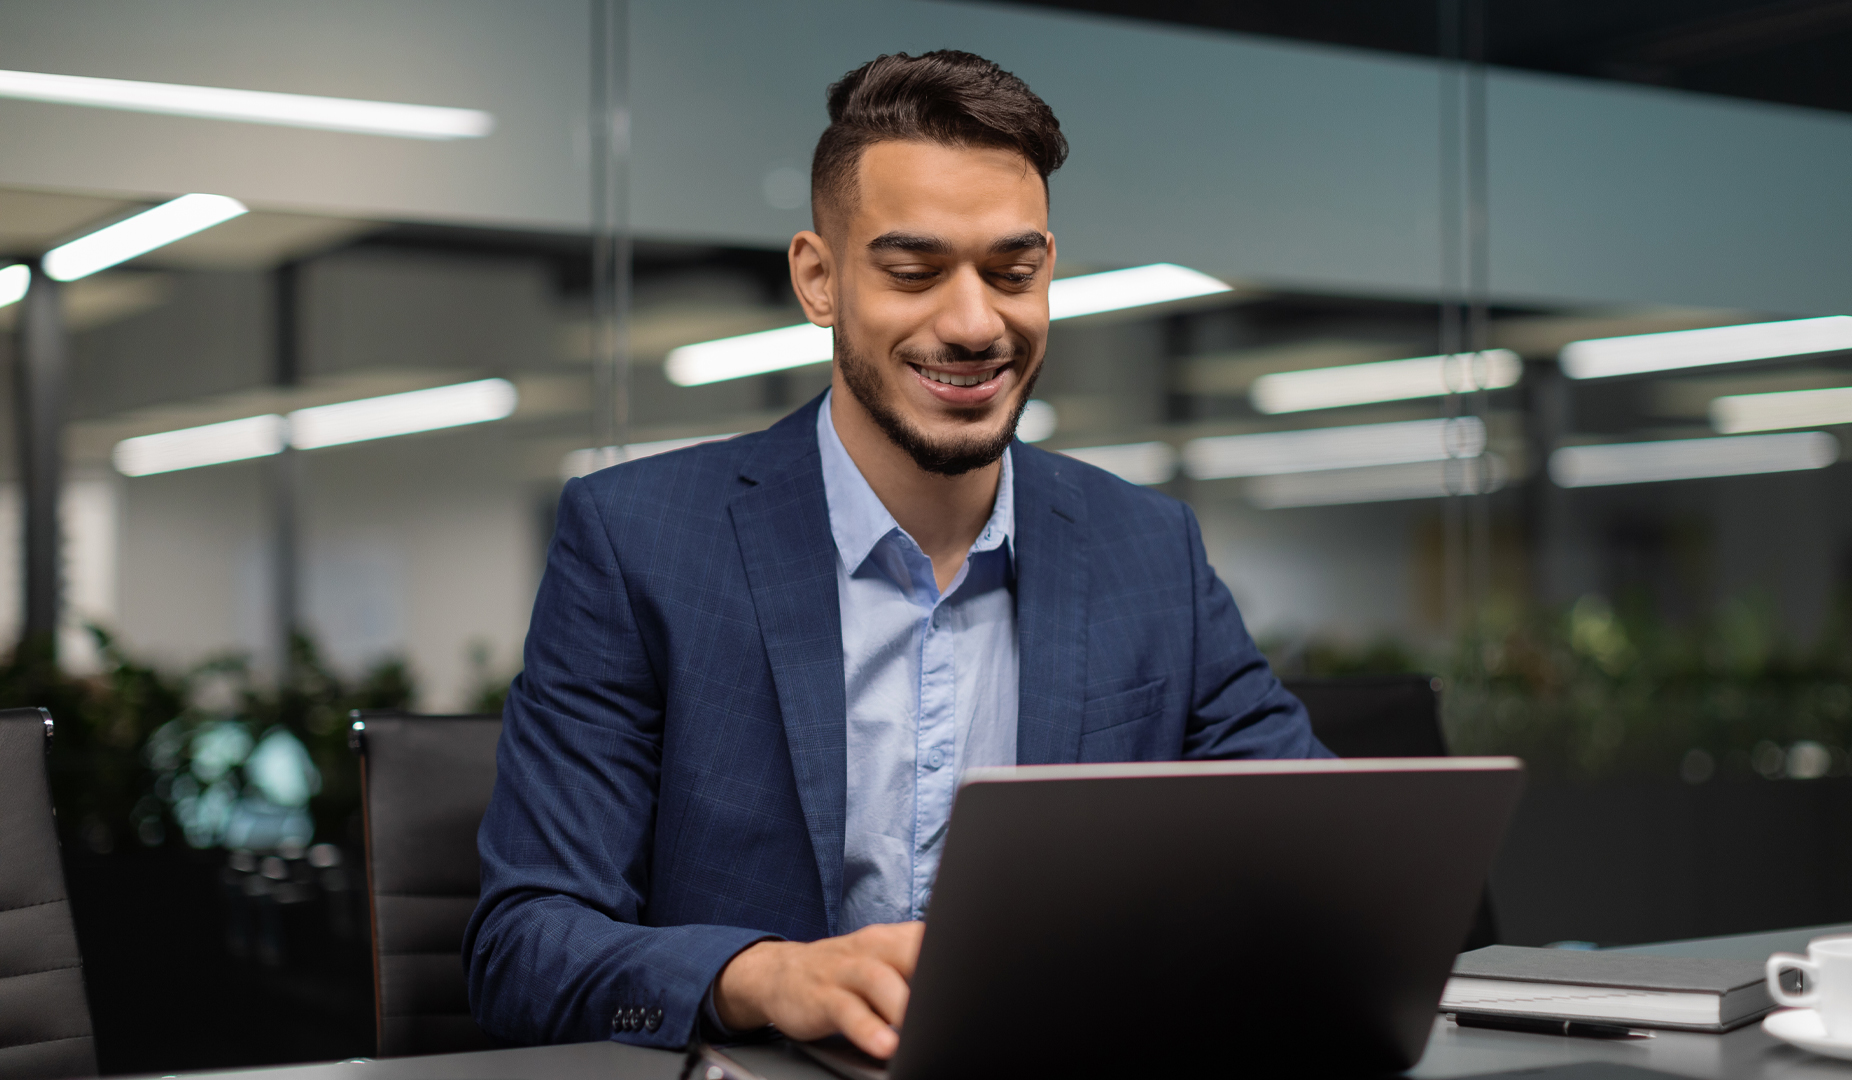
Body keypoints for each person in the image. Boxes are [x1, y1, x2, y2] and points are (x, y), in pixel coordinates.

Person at [463, 49, 1331, 1060]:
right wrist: (764, 977)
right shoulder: (640, 542)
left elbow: (1322, 869)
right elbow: (522, 948)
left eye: (1014, 272)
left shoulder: (1148, 548)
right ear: (819, 279)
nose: (973, 323)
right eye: (914, 272)